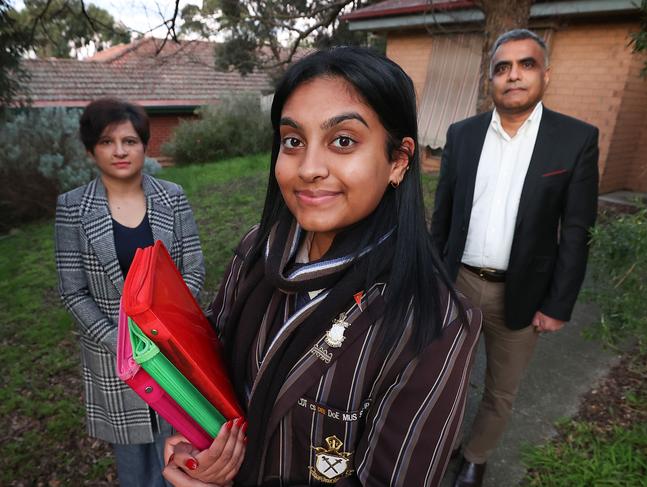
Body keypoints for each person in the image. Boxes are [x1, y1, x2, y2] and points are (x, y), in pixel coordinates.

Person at [162, 46, 482, 487]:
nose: (308, 168)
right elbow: (208, 366)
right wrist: (194, 436)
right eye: (293, 141)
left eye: (343, 141)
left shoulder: (433, 323)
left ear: (398, 161)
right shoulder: (256, 252)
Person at [430, 29, 600, 487]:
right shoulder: (462, 135)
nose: (513, 76)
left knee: (501, 390)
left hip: (523, 294)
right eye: (502, 68)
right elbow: (441, 218)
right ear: (491, 79)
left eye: (525, 65)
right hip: (458, 284)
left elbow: (578, 230)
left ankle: (475, 457)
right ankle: (437, 445)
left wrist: (558, 305)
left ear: (546, 73)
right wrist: (432, 279)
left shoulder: (575, 139)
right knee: (446, 378)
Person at [54, 98, 206, 487]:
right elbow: (74, 293)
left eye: (130, 140)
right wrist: (123, 342)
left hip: (171, 352)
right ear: (91, 150)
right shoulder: (72, 208)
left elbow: (193, 270)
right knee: (134, 468)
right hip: (115, 362)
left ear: (144, 145)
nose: (120, 151)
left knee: (178, 453)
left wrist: (163, 333)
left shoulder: (172, 197)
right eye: (107, 142)